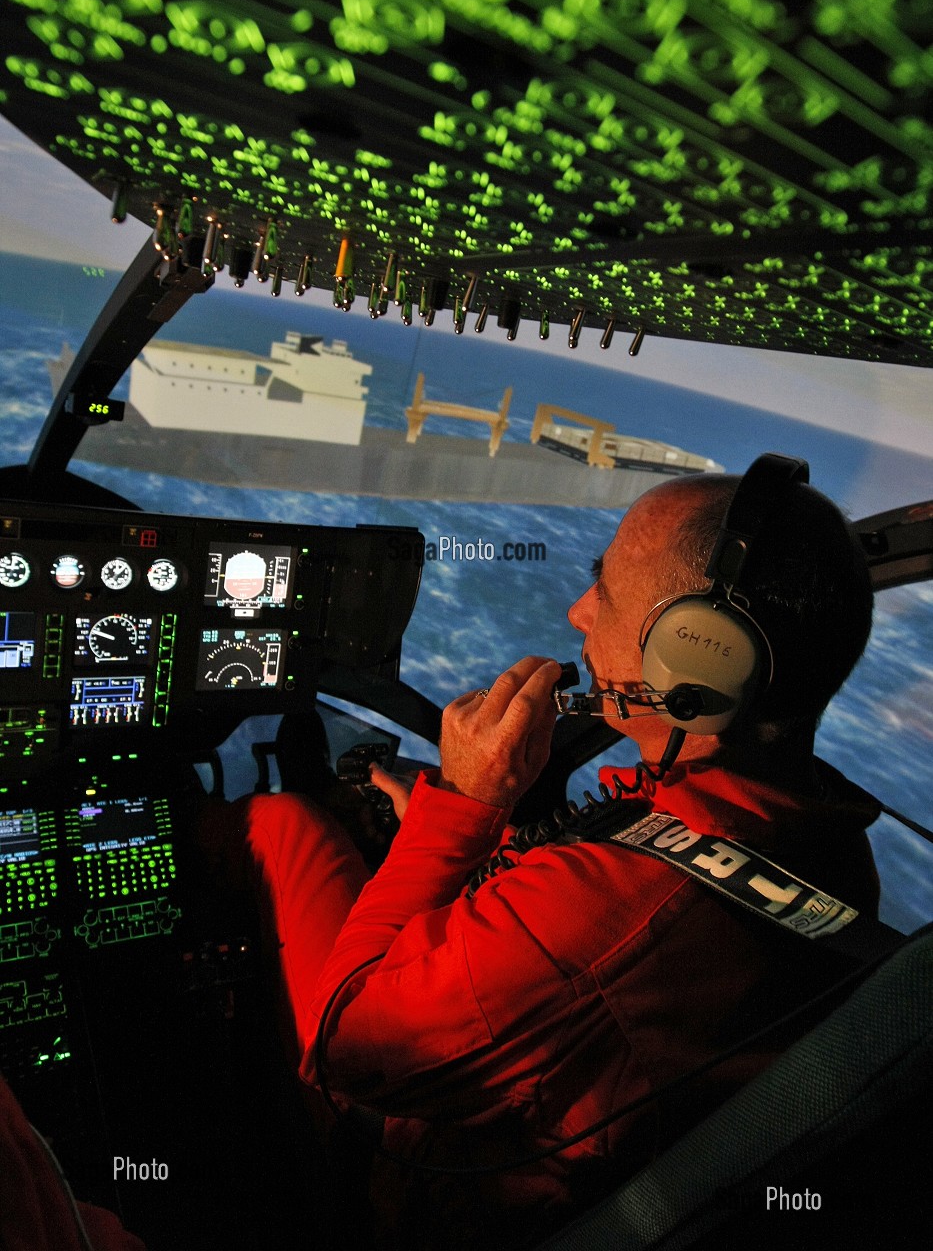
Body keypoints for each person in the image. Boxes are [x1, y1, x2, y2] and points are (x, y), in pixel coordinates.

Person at [215, 461, 880, 1250]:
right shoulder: (822, 836)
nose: (576, 611)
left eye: (602, 588)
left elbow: (344, 1045)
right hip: (597, 1143)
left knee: (281, 824)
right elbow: (595, 931)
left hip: (427, 1184)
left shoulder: (616, 908)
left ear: (699, 659)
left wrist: (458, 811)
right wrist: (474, 835)